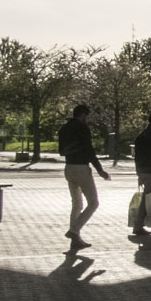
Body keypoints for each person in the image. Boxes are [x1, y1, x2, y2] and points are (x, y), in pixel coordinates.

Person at [56, 104, 111, 248]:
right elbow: (89, 151)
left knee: (76, 204)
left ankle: (76, 240)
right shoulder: (82, 128)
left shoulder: (64, 128)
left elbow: (61, 151)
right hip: (81, 168)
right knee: (93, 203)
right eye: (86, 116)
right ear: (82, 115)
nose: (87, 119)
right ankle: (74, 231)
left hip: (68, 168)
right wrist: (100, 170)